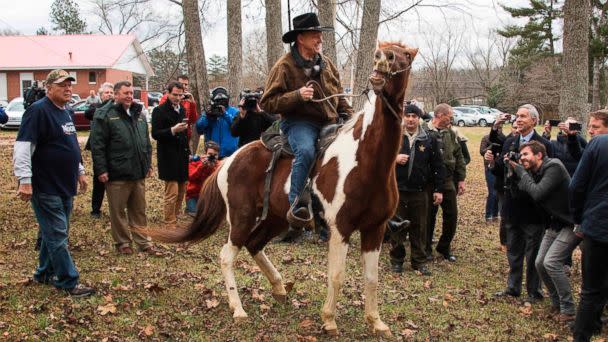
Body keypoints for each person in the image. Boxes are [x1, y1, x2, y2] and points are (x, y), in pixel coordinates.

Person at [260, 12, 353, 236]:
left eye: (320, 35)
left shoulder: (327, 64)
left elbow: (338, 95)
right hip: (299, 122)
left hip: (330, 121)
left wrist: (350, 117)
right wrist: (297, 96)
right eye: (314, 35)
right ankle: (296, 207)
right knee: (306, 151)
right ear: (300, 38)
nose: (320, 39)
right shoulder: (284, 66)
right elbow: (267, 103)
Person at [13, 69, 95, 297]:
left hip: (65, 184)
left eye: (70, 85)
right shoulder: (37, 111)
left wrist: (80, 171)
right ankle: (68, 281)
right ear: (48, 88)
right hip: (45, 184)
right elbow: (23, 147)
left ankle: (43, 273)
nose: (68, 89)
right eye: (62, 85)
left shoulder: (65, 112)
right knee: (57, 234)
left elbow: (70, 146)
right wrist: (25, 180)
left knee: (56, 232)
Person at [509, 141, 579, 322]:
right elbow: (523, 194)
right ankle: (557, 305)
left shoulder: (553, 166)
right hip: (555, 223)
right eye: (520, 155)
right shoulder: (534, 172)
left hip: (572, 223)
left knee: (552, 263)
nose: (521, 158)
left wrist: (522, 173)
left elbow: (538, 193)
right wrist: (513, 176)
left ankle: (569, 310)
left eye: (525, 154)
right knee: (540, 263)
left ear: (539, 155)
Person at [489, 104, 553, 302]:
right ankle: (513, 287)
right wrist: (492, 162)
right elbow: (499, 170)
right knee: (514, 249)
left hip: (533, 207)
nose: (518, 119)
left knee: (533, 252)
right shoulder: (510, 140)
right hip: (511, 205)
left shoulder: (544, 144)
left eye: (523, 116)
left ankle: (534, 291)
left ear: (534, 120)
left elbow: (548, 175)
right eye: (517, 116)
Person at [89, 81, 159, 256]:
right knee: (118, 211)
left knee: (139, 210)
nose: (129, 96)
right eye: (125, 93)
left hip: (138, 171)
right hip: (116, 173)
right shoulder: (105, 115)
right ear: (116, 95)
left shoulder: (139, 114)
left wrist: (148, 163)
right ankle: (122, 242)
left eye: (131, 93)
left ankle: (143, 242)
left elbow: (146, 142)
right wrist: (101, 170)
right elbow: (97, 145)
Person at [388, 104, 445, 276]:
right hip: (398, 190)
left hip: (420, 191)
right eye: (408, 116)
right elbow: (380, 161)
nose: (411, 119)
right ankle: (397, 260)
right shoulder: (393, 137)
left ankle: (418, 261)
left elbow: (438, 165)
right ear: (403, 117)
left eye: (414, 116)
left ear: (419, 118)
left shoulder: (429, 138)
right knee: (397, 227)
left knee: (420, 227)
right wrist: (394, 159)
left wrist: (438, 189)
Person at [570, 110, 608, 342]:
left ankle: (582, 335)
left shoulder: (598, 145)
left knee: (591, 288)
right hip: (598, 222)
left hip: (597, 224)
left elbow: (576, 186)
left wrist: (578, 218)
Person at [423, 103, 466, 262]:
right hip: (428, 181)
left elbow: (459, 156)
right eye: (450, 116)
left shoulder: (452, 133)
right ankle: (426, 248)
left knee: (451, 215)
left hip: (447, 179)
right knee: (428, 216)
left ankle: (444, 247)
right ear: (440, 115)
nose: (452, 119)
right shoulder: (423, 131)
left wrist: (461, 178)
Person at [151, 82, 190, 229]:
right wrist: (172, 130)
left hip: (182, 155)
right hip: (168, 156)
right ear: (167, 93)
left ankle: (175, 217)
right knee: (172, 192)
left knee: (181, 191)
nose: (178, 97)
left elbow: (185, 134)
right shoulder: (159, 111)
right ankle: (169, 222)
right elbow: (155, 134)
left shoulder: (182, 110)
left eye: (180, 95)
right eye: (175, 94)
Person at [84, 82, 114, 218]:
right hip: (99, 149)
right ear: (101, 96)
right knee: (99, 180)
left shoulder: (116, 108)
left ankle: (116, 208)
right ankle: (95, 209)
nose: (109, 95)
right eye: (107, 93)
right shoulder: (96, 107)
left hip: (114, 149)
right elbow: (87, 113)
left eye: (111, 93)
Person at [159, 75, 199, 152]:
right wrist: (178, 100)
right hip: (170, 136)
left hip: (184, 136)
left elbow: (193, 120)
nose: (184, 86)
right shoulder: (166, 98)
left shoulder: (187, 99)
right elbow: (163, 116)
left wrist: (192, 103)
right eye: (181, 84)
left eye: (186, 84)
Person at [196, 86, 239, 158]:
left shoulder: (234, 112)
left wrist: (225, 114)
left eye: (223, 100)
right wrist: (208, 117)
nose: (221, 102)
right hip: (212, 154)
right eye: (218, 100)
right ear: (213, 100)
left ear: (227, 99)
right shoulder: (209, 112)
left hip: (231, 155)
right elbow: (199, 129)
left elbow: (238, 127)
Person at [185, 141, 221, 216]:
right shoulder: (195, 162)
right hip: (194, 195)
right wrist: (202, 166)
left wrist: (212, 168)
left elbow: (217, 181)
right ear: (205, 154)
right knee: (195, 214)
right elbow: (191, 177)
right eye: (210, 154)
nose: (212, 157)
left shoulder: (219, 165)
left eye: (215, 155)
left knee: (208, 215)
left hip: (208, 196)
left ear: (218, 155)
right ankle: (190, 208)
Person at [479, 133, 499, 222]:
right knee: (492, 192)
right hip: (490, 168)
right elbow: (482, 151)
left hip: (499, 168)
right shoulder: (486, 138)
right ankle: (488, 215)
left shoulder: (502, 139)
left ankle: (495, 214)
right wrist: (492, 146)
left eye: (501, 127)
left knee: (498, 192)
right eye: (497, 127)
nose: (499, 130)